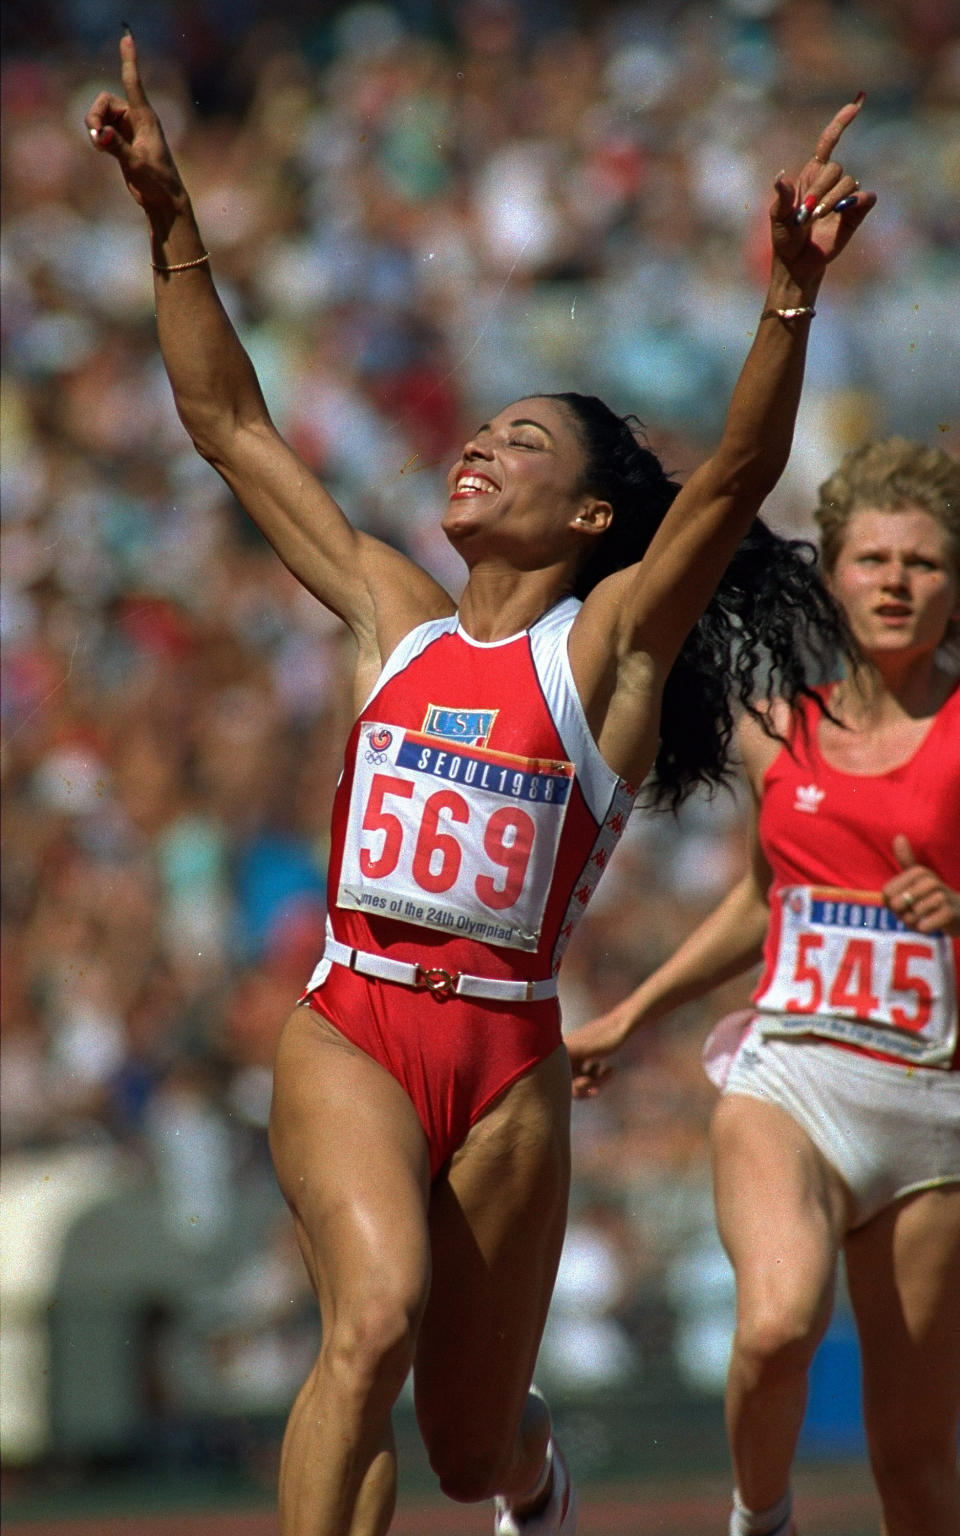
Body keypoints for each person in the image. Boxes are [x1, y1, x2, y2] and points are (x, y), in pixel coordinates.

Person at [86, 31, 873, 1536]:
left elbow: (726, 488)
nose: (476, 447)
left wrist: (789, 295)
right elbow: (231, 428)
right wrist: (171, 225)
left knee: (466, 1447)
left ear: (584, 513)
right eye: (478, 429)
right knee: (368, 1321)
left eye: (519, 443)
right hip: (355, 1016)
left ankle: (539, 1481)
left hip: (508, 1062)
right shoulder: (392, 613)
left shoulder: (610, 660)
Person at [566, 436, 960, 1536]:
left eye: (923, 563)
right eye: (873, 558)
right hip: (792, 1069)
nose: (895, 581)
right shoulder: (785, 730)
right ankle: (761, 1517)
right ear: (834, 576)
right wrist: (634, 1014)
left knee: (918, 1467)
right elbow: (760, 900)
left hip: (935, 1108)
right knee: (777, 1325)